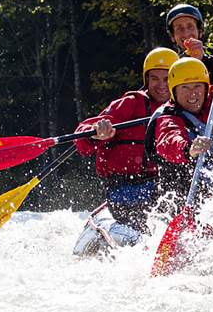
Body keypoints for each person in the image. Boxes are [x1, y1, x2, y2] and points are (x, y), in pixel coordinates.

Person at [72, 47, 178, 256]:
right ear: (146, 80)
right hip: (124, 190)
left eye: (167, 78)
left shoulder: (180, 107)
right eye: (155, 79)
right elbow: (83, 135)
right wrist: (97, 133)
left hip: (159, 190)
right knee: (142, 221)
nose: (161, 85)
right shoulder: (131, 104)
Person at [147, 56, 213, 203]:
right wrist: (189, 149)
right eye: (185, 87)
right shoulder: (168, 117)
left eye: (197, 86)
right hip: (183, 193)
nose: (192, 94)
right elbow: (169, 140)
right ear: (174, 91)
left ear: (205, 88)